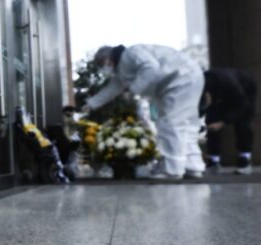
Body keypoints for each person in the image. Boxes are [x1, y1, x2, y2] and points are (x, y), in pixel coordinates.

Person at [82, 44, 205, 179]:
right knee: (186, 124)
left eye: (102, 65)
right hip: (188, 76)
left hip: (179, 78)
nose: (104, 69)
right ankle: (192, 165)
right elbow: (113, 88)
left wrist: (132, 90)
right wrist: (91, 104)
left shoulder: (130, 54)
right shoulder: (122, 68)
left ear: (107, 60)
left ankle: (172, 170)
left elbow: (151, 68)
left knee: (171, 123)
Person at [200, 68, 257, 175]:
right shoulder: (199, 84)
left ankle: (244, 159)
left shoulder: (229, 83)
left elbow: (242, 105)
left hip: (245, 89)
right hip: (219, 92)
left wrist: (222, 123)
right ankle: (213, 161)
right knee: (211, 121)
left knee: (243, 123)